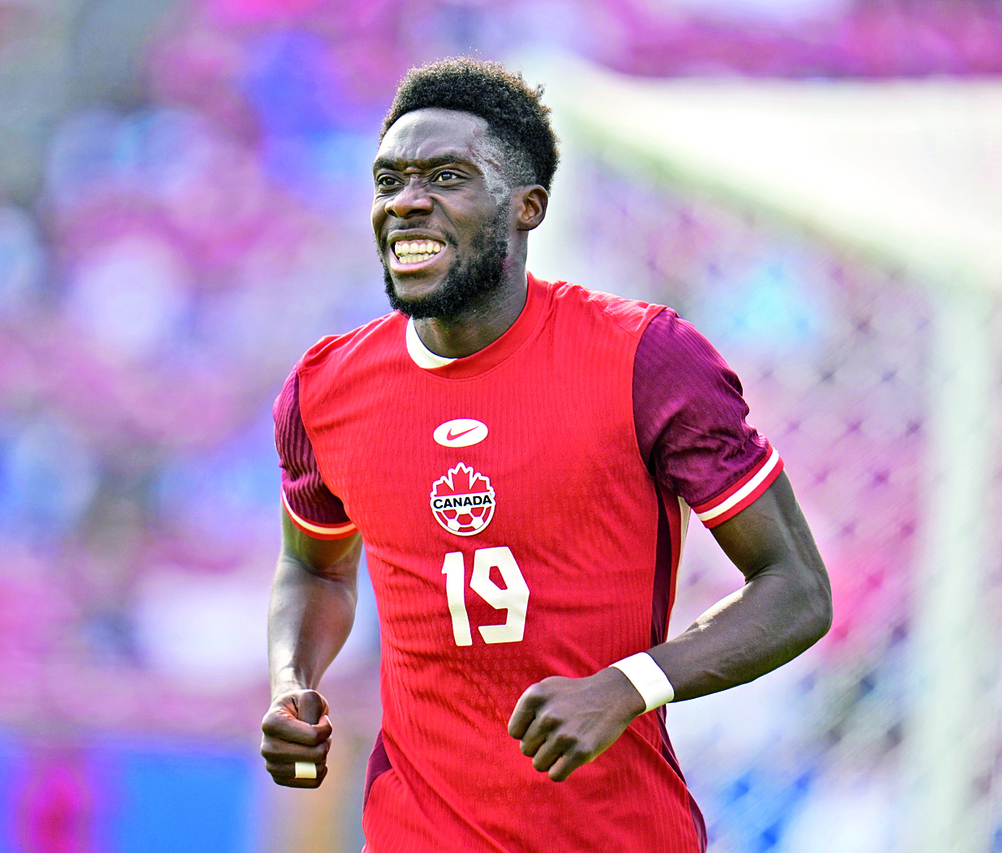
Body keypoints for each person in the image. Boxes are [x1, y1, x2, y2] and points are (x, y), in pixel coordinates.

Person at [260, 57, 832, 852]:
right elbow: (315, 568)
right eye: (389, 180)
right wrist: (293, 682)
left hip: (617, 835)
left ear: (527, 206)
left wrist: (630, 685)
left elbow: (797, 587)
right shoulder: (324, 389)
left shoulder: (645, 359)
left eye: (446, 177)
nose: (406, 201)